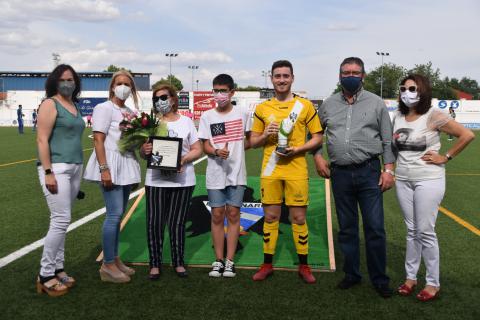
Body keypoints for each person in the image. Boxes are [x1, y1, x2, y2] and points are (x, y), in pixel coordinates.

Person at [314, 57, 395, 297]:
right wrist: (317, 156)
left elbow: (387, 140)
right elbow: (316, 135)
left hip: (369, 171)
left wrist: (388, 170)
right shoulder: (328, 104)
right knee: (347, 229)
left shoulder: (376, 102)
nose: (351, 75)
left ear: (363, 76)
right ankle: (352, 274)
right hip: (339, 173)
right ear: (339, 75)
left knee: (375, 228)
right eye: (346, 71)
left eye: (355, 72)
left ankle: (379, 279)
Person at [393, 74, 474, 301]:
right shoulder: (398, 115)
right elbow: (393, 145)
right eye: (404, 88)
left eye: (413, 88)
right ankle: (410, 278)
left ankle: (432, 283)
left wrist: (445, 156)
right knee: (411, 231)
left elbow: (466, 135)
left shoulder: (433, 115)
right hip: (403, 179)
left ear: (422, 91)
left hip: (428, 179)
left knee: (426, 231)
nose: (407, 92)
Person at [249, 60, 323, 284]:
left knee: (298, 218)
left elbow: (318, 137)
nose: (281, 80)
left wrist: (298, 149)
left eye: (285, 76)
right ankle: (267, 264)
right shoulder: (262, 108)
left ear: (292, 78)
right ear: (271, 78)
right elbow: (253, 142)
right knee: (270, 217)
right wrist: (264, 136)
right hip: (270, 170)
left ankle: (304, 265)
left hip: (296, 169)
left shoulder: (305, 106)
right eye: (277, 76)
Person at [84, 70, 141, 283]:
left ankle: (114, 259)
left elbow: (131, 140)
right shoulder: (103, 108)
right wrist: (104, 169)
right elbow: (98, 140)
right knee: (114, 215)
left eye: (128, 84)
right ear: (112, 86)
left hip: (126, 164)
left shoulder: (130, 111)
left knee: (119, 216)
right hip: (111, 164)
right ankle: (107, 265)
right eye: (120, 83)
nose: (123, 87)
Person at [141, 84, 202, 280]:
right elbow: (144, 153)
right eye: (156, 98)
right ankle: (155, 264)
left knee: (177, 223)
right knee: (155, 223)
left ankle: (178, 262)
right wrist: (145, 150)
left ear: (173, 99)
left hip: (182, 180)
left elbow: (197, 149)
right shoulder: (150, 123)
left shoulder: (186, 122)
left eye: (164, 97)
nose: (160, 101)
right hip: (156, 180)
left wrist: (183, 159)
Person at [35, 64, 85, 296]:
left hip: (75, 167)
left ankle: (58, 267)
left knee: (64, 220)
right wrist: (48, 172)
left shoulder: (73, 105)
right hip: (56, 168)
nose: (68, 83)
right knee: (60, 219)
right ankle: (45, 273)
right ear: (55, 81)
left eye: (71, 79)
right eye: (64, 79)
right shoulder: (50, 103)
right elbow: (42, 140)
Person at [198, 74, 251, 278]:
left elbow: (249, 140)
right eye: (216, 90)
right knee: (217, 215)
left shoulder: (243, 113)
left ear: (232, 92)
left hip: (237, 174)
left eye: (223, 90)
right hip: (215, 174)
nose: (219, 95)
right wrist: (215, 151)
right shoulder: (207, 116)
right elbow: (204, 145)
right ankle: (218, 260)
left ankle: (230, 261)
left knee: (234, 215)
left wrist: (236, 151)